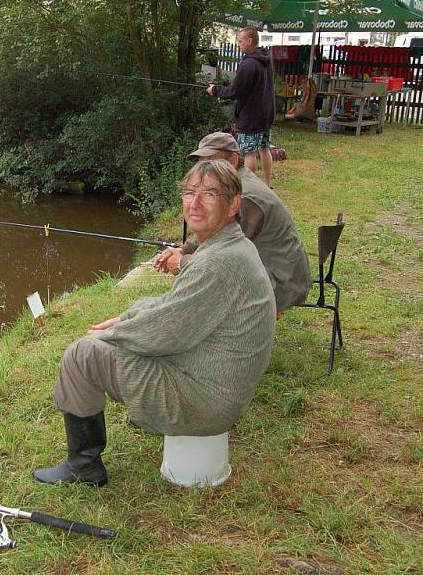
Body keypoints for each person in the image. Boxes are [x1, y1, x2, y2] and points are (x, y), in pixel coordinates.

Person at [33, 160, 276, 487]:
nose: (194, 203)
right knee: (122, 336)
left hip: (205, 402)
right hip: (220, 386)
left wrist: (111, 333)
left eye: (209, 194)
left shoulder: (215, 264)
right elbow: (174, 309)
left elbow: (164, 332)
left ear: (233, 204)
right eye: (189, 193)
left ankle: (83, 466)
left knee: (82, 355)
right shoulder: (231, 246)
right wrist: (126, 317)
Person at [153, 132, 311, 312]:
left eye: (213, 161)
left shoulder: (245, 196)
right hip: (280, 272)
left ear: (234, 160)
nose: (206, 168)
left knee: (204, 292)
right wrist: (183, 249)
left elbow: (219, 260)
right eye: (202, 162)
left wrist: (183, 263)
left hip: (282, 283)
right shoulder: (237, 183)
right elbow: (216, 233)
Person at [206, 27, 275, 187]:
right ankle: (266, 184)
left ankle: (252, 188)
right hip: (266, 114)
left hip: (251, 116)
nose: (239, 44)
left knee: (248, 153)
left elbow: (235, 91)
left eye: (240, 40)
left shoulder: (249, 63)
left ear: (250, 41)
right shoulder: (265, 58)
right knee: (264, 148)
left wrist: (215, 90)